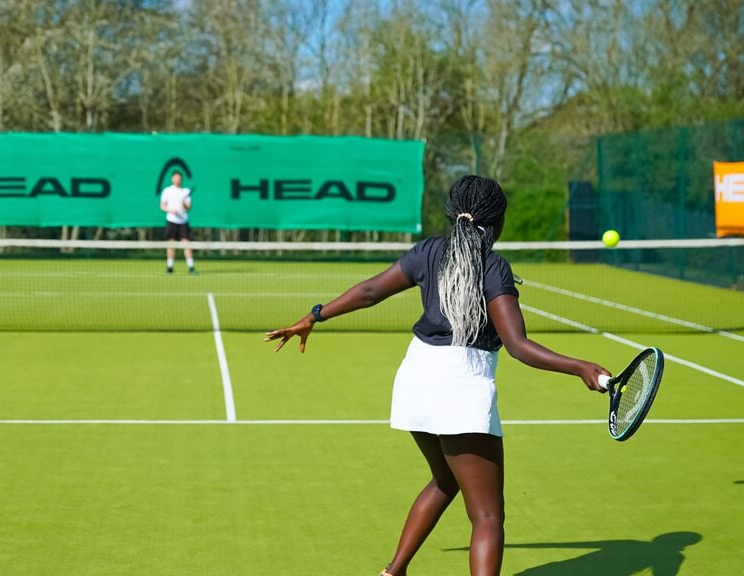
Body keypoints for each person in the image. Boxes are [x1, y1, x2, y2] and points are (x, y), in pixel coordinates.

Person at [264, 175, 610, 576]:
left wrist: (315, 316)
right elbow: (517, 345)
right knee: (487, 517)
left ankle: (393, 572)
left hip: (416, 376)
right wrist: (580, 366)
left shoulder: (429, 251)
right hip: (461, 384)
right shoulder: (492, 267)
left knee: (445, 481)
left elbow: (369, 292)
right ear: (497, 222)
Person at [159, 170, 195, 274]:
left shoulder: (185, 191)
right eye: (175, 177)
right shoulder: (167, 191)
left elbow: (188, 207)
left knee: (186, 244)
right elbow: (162, 205)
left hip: (183, 221)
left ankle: (191, 267)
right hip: (171, 220)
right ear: (172, 179)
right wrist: (170, 210)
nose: (177, 179)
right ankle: (170, 267)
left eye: (179, 178)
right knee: (171, 244)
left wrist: (183, 204)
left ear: (181, 179)